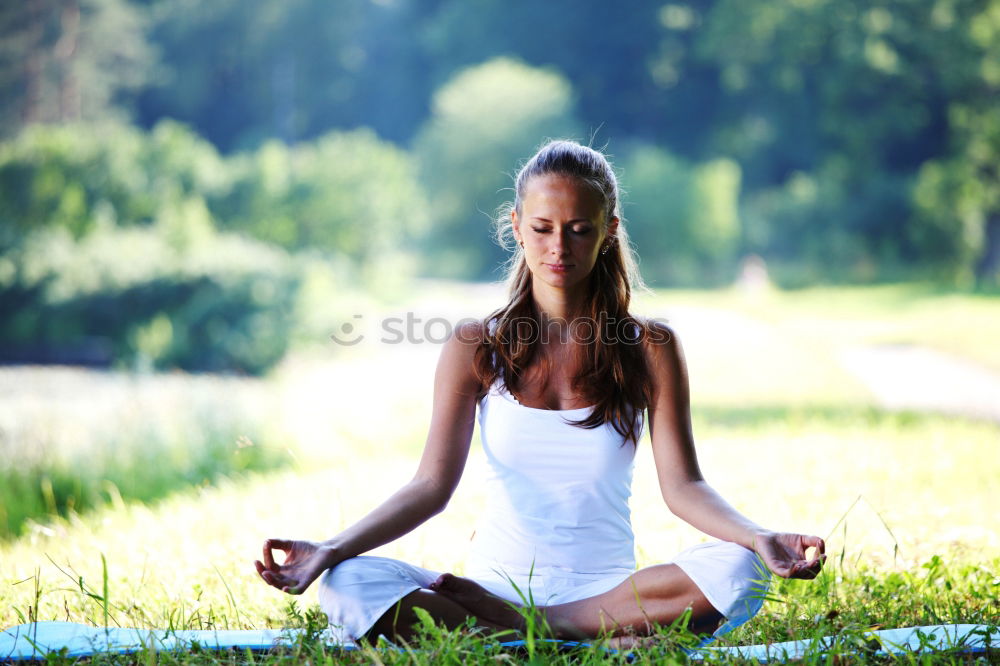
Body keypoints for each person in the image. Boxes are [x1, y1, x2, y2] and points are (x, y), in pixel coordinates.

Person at [254, 139, 825, 645]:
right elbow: (430, 485)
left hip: (607, 593)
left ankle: (534, 630)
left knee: (739, 568)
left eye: (580, 228)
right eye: (543, 228)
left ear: (609, 231)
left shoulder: (650, 346)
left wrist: (759, 536)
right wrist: (332, 548)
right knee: (349, 583)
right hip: (488, 586)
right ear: (516, 225)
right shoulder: (476, 345)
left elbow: (684, 486)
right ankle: (583, 636)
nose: (560, 247)